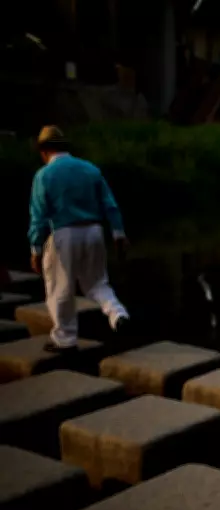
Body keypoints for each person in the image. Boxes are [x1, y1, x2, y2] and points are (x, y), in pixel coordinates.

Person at [28, 126, 131, 352]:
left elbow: (39, 217)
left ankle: (65, 338)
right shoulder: (90, 169)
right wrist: (118, 234)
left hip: (64, 233)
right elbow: (110, 205)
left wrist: (36, 249)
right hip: (94, 231)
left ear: (44, 151)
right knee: (97, 283)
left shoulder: (44, 175)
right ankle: (118, 314)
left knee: (60, 287)